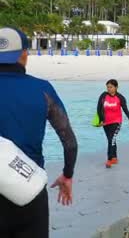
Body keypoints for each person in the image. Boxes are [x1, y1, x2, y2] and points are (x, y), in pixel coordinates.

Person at [0, 27, 78, 237]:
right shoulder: (42, 89)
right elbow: (69, 141)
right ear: (24, 54)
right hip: (28, 189)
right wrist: (67, 175)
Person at [97, 79, 129, 168]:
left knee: (111, 140)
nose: (109, 89)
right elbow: (99, 108)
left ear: (116, 87)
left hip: (116, 122)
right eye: (107, 87)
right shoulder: (103, 95)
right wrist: (101, 121)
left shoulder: (120, 97)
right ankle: (114, 157)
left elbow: (125, 109)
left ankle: (109, 160)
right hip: (106, 123)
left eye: (111, 87)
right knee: (111, 140)